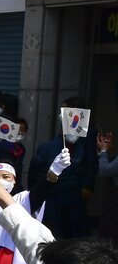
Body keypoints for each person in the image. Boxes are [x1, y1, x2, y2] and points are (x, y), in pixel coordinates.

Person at [29, 99, 98, 238]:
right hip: (53, 199)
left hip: (74, 198)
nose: (63, 115)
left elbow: (91, 163)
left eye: (66, 111)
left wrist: (87, 185)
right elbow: (35, 175)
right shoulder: (48, 148)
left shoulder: (84, 143)